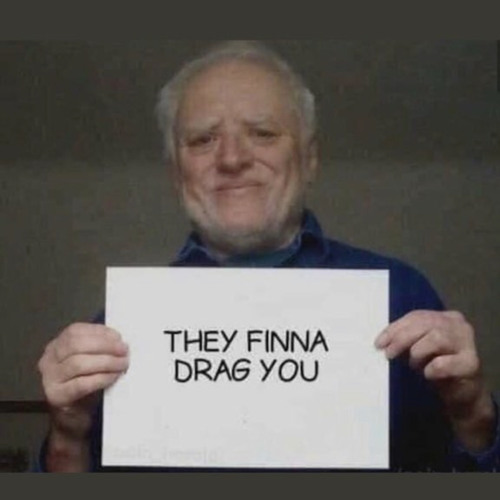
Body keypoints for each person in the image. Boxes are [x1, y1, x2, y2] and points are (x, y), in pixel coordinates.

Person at [36, 40, 499, 472]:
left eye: (262, 133)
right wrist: (67, 438)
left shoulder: (403, 299)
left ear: (309, 159)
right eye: (202, 140)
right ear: (177, 173)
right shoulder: (121, 328)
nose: (232, 159)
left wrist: (473, 415)